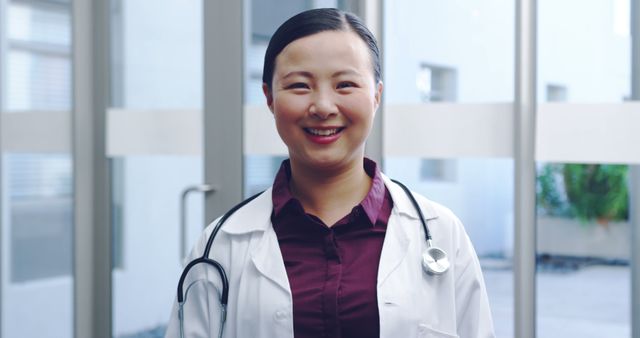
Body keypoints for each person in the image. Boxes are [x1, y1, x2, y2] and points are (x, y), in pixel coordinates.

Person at [165, 8, 495, 338]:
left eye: (345, 84)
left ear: (376, 96)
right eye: (299, 85)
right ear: (269, 98)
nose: (323, 106)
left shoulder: (442, 234)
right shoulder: (220, 246)